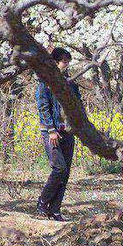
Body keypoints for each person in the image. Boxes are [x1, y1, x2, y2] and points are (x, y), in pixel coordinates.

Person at [36, 47, 82, 222]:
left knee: (66, 172)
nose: (67, 65)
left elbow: (78, 105)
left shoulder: (70, 82)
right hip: (52, 132)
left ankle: (55, 209)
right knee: (59, 168)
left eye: (68, 61)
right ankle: (42, 202)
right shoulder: (44, 82)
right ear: (55, 62)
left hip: (68, 131)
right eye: (64, 61)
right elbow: (43, 107)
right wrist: (51, 130)